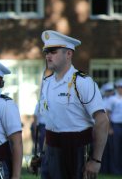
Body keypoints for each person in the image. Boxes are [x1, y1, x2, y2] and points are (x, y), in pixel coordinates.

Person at [38, 30, 109, 179]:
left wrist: (96, 160)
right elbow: (51, 121)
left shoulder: (82, 82)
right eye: (46, 52)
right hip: (52, 150)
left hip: (77, 151)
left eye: (53, 51)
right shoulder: (47, 82)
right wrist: (42, 154)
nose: (48, 56)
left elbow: (102, 120)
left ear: (68, 54)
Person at [106, 79, 122, 175]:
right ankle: (116, 170)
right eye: (120, 87)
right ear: (117, 88)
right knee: (116, 149)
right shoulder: (112, 99)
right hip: (116, 125)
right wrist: (109, 128)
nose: (121, 89)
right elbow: (107, 114)